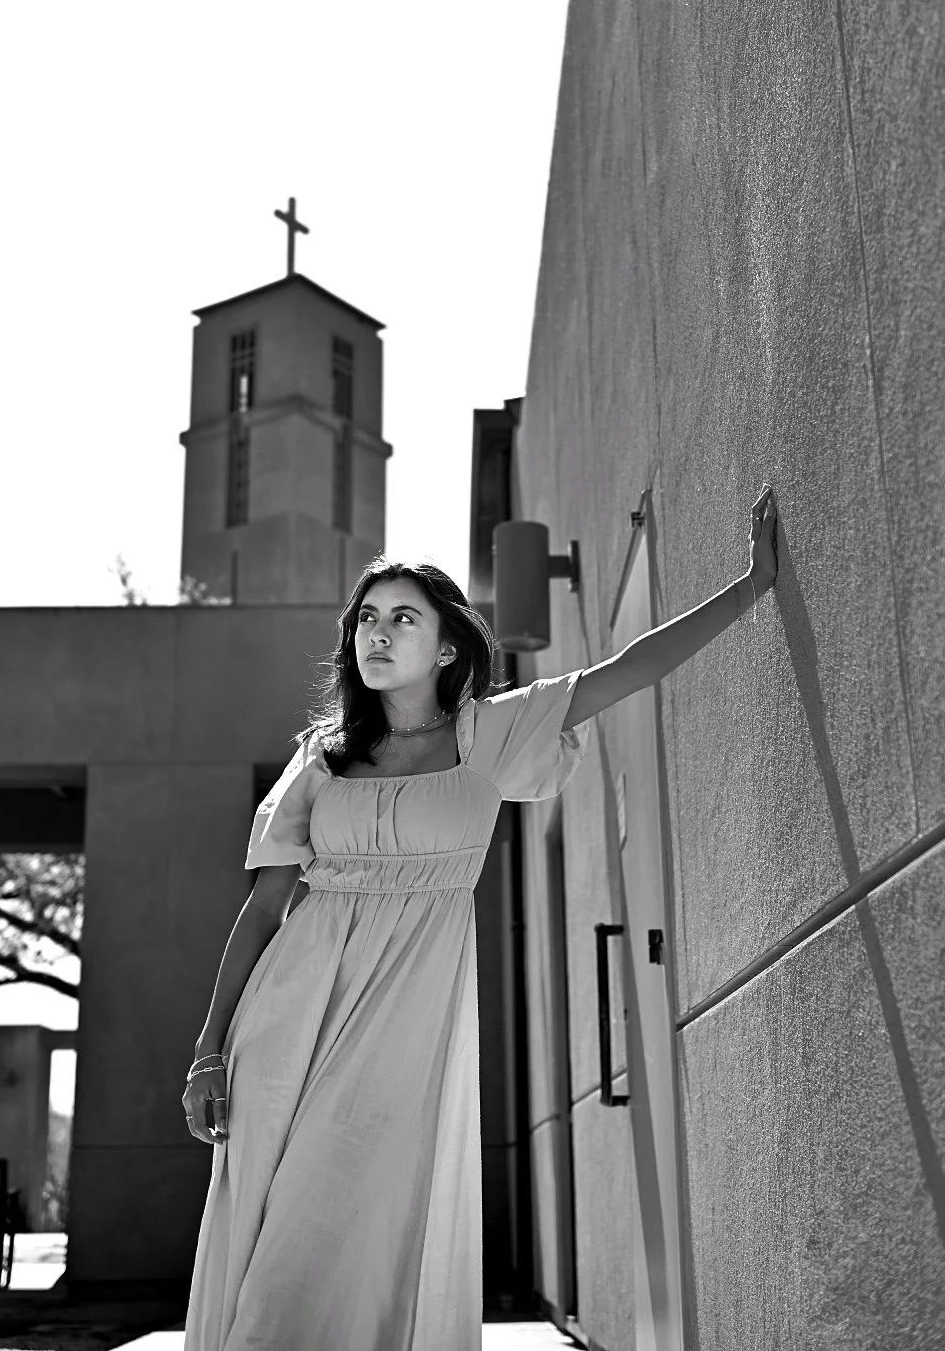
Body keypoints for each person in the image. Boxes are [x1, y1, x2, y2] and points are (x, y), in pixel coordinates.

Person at [182, 487, 779, 1350]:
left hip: (405, 1027)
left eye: (403, 619)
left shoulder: (489, 736)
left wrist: (750, 587)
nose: (378, 634)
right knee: (264, 1233)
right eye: (366, 620)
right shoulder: (322, 758)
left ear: (447, 645)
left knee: (339, 1231)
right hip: (288, 1018)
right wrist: (209, 1050)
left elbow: (626, 671)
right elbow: (265, 908)